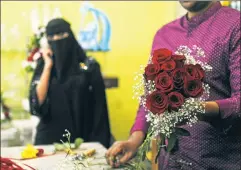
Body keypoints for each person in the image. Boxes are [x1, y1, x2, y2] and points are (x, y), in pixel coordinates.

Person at [106, 1, 240, 169]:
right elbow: (150, 97)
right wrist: (135, 140)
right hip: (169, 161)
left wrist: (197, 110)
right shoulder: (165, 34)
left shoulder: (235, 26)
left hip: (216, 161)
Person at [29, 18, 111, 148]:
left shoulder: (89, 66)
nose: (56, 39)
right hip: (48, 142)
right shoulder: (43, 64)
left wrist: (100, 142)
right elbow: (37, 103)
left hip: (82, 141)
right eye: (51, 36)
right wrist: (48, 65)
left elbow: (100, 108)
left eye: (61, 34)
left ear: (70, 35)